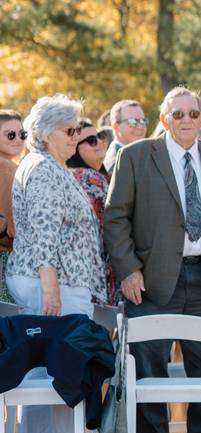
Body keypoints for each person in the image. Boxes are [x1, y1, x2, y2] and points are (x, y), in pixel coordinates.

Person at [104, 86, 201, 433]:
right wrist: (128, 270)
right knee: (148, 363)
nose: (186, 120)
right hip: (150, 279)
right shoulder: (136, 156)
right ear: (164, 120)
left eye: (193, 113)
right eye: (177, 114)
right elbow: (115, 219)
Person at [6, 95, 106, 433]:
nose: (76, 136)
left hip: (58, 281)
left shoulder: (50, 165)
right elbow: (45, 231)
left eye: (78, 129)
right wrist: (51, 291)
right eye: (70, 130)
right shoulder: (44, 170)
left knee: (46, 364)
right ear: (47, 132)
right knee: (64, 363)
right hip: (50, 282)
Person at [66, 120, 117, 304]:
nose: (100, 142)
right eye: (91, 140)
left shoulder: (73, 173)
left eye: (100, 137)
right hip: (98, 268)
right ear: (75, 148)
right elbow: (113, 223)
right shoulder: (90, 178)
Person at [0, 110, 24, 302]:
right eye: (10, 134)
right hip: (6, 257)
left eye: (22, 134)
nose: (18, 139)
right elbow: (13, 229)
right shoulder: (7, 168)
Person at [103, 100, 148, 174]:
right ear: (116, 126)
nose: (140, 126)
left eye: (143, 120)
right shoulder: (116, 162)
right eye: (132, 121)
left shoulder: (137, 154)